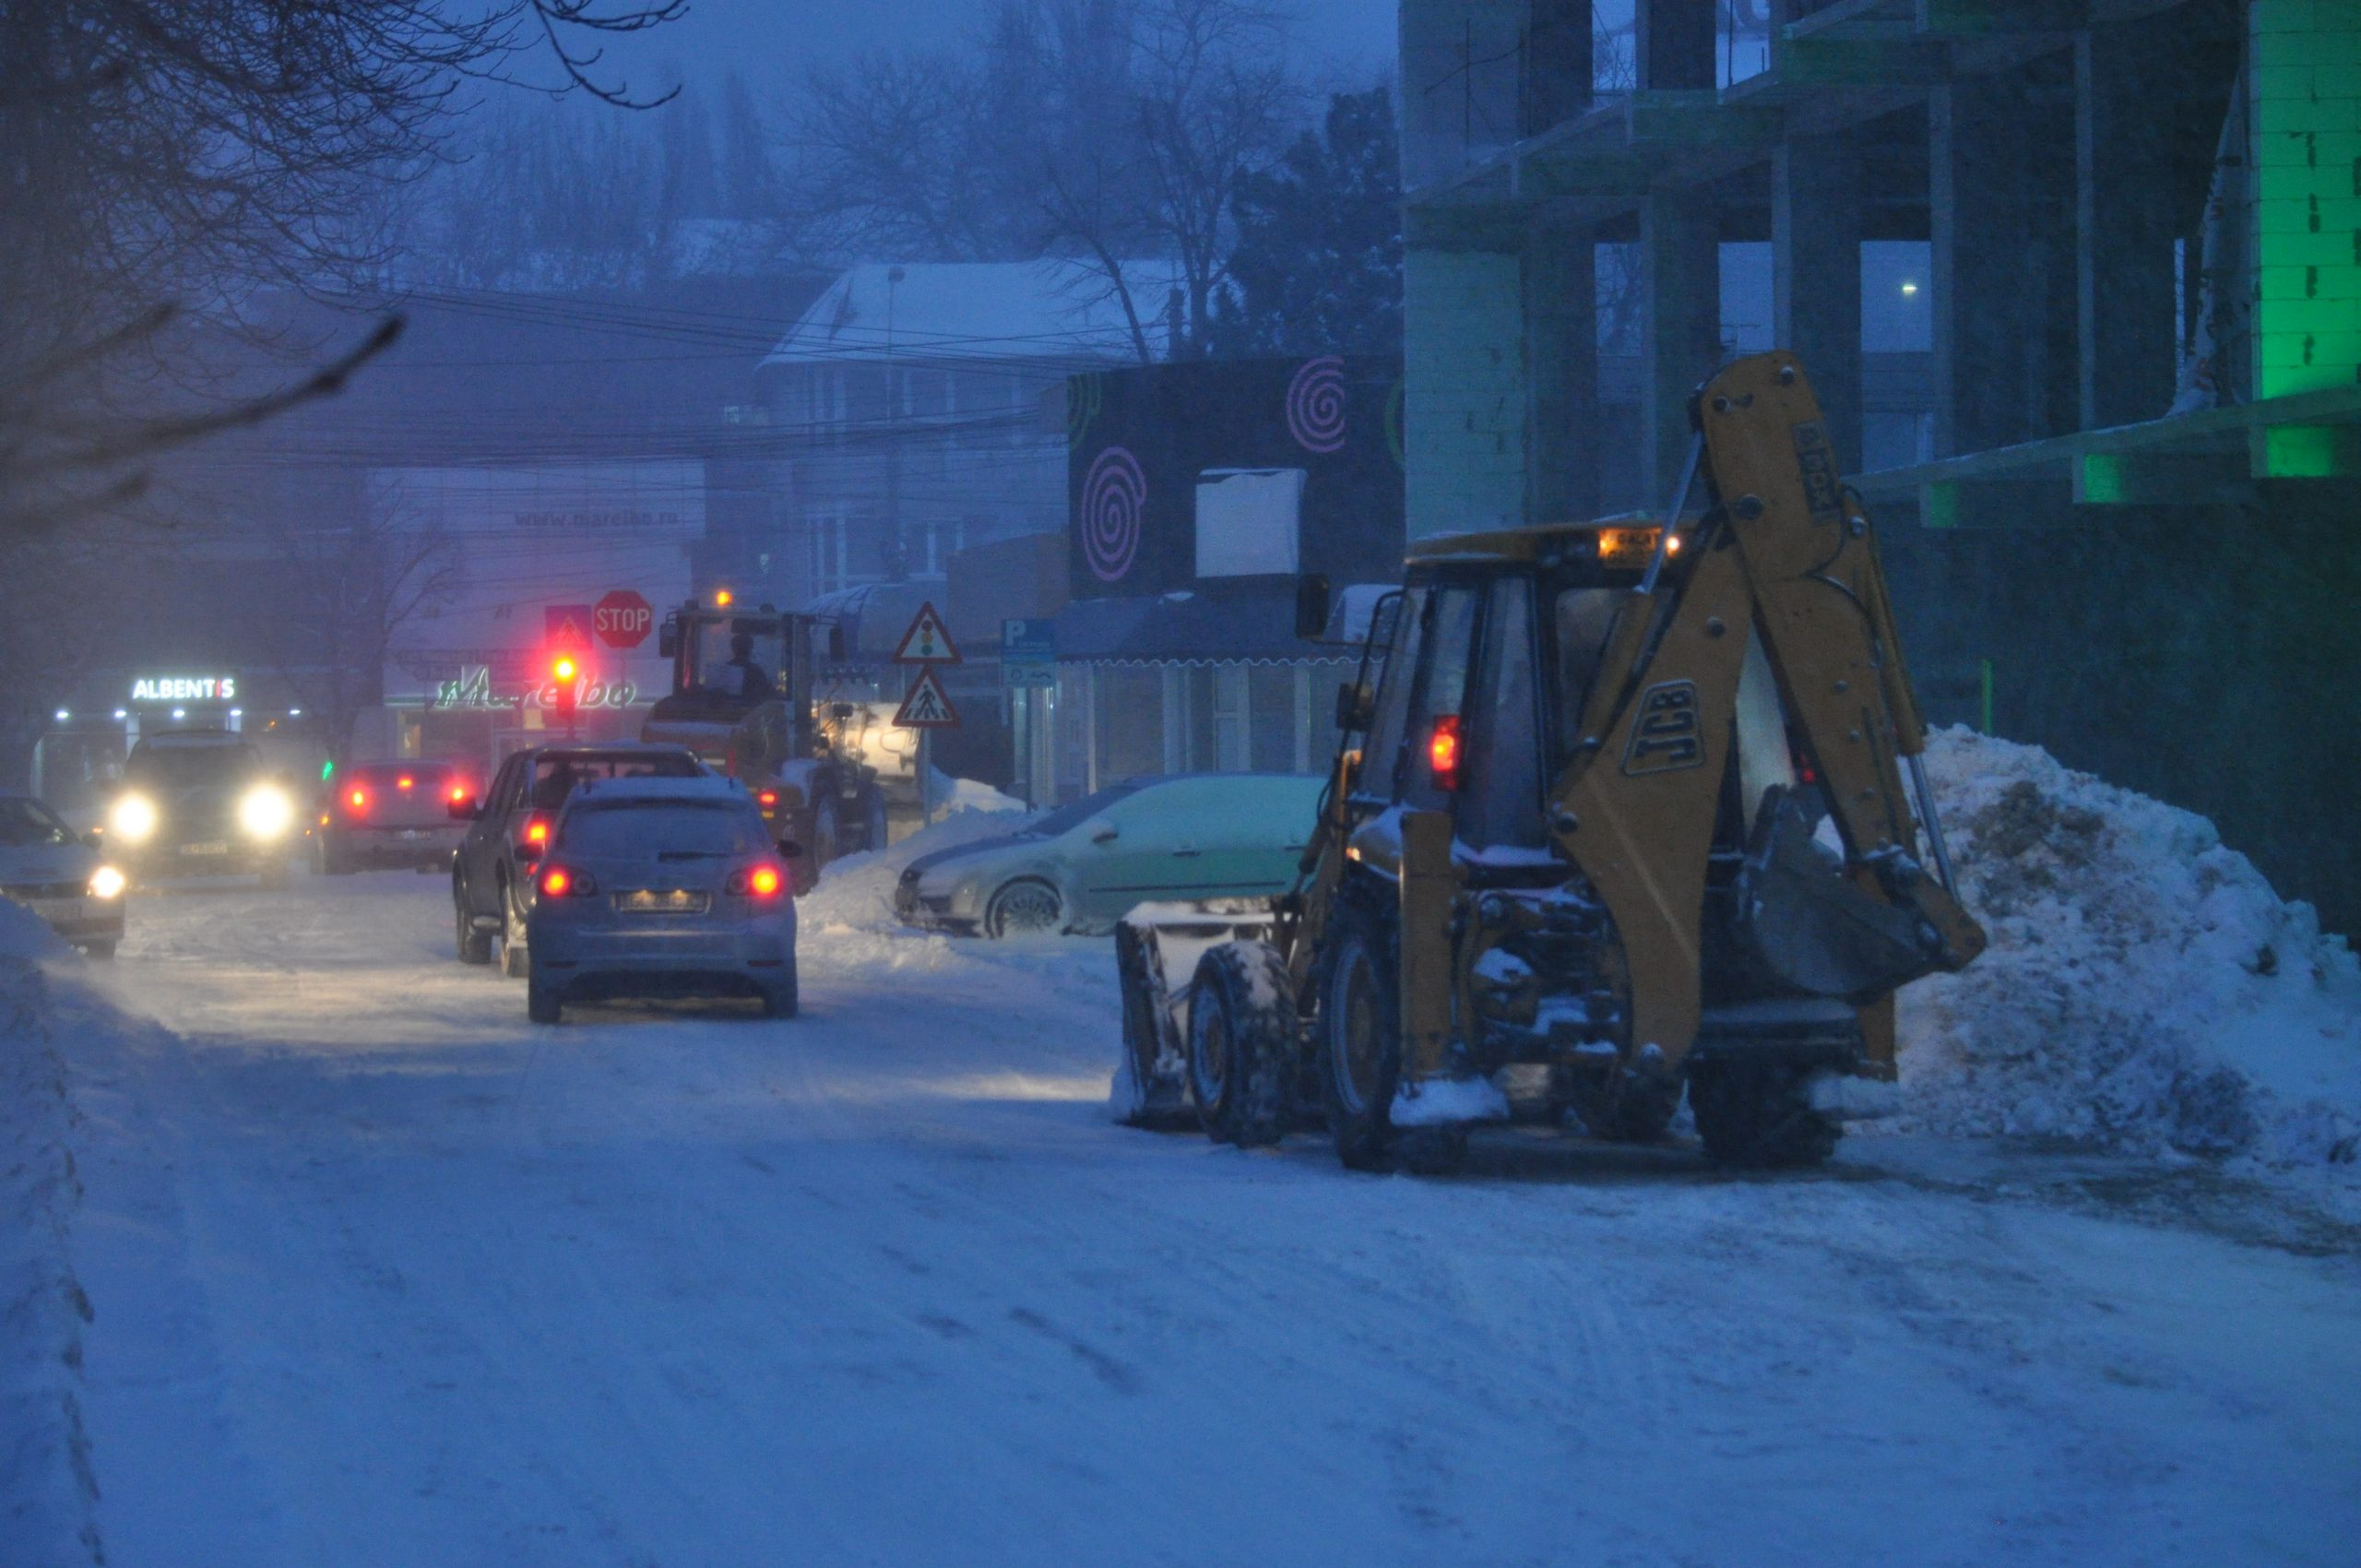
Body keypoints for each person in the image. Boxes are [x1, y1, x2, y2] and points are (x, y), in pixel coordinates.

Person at [719, 632, 776, 701]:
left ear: (733, 648)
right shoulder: (757, 672)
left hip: (725, 710)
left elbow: (717, 695)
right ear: (750, 648)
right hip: (753, 711)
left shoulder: (723, 670)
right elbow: (765, 695)